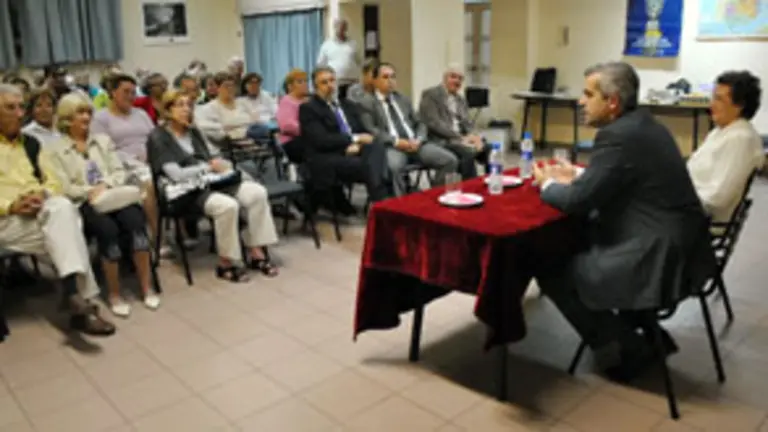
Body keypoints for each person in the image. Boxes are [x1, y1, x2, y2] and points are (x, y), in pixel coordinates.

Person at [531, 62, 716, 382]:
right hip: (684, 245)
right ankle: (647, 335)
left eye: (588, 94)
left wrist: (547, 184)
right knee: (580, 239)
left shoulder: (615, 135)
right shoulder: (646, 125)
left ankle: (625, 347)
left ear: (612, 101)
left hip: (653, 253)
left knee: (552, 269)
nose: (580, 101)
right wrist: (577, 175)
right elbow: (620, 179)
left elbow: (578, 202)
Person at [0, 84, 115, 335]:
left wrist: (42, 194)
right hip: (6, 219)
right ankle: (81, 300)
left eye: (21, 107)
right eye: (10, 107)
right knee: (69, 228)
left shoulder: (30, 144)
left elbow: (52, 181)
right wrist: (12, 204)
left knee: (62, 209)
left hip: (40, 213)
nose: (19, 114)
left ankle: (76, 300)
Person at [148, 91, 279, 280]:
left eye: (188, 105)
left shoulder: (193, 132)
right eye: (180, 105)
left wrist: (219, 165)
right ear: (168, 110)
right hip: (186, 192)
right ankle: (226, 262)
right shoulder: (159, 136)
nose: (186, 109)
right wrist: (207, 167)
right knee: (227, 205)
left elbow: (210, 157)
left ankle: (256, 252)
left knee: (257, 193)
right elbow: (175, 174)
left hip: (211, 182)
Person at [49, 93, 160, 317]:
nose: (87, 117)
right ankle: (114, 294)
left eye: (88, 112)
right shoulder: (54, 150)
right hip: (84, 203)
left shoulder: (102, 141)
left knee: (136, 222)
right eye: (80, 113)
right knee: (107, 230)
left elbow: (118, 171)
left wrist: (105, 184)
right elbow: (62, 187)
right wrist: (89, 191)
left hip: (113, 194)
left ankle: (147, 287)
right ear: (66, 118)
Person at [358, 62, 458, 196]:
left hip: (416, 144)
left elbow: (420, 122)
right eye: (385, 77)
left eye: (393, 77)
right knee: (394, 167)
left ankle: (435, 197)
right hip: (392, 147)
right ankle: (401, 206)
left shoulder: (403, 99)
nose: (390, 81)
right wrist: (397, 142)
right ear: (375, 81)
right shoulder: (367, 102)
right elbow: (372, 130)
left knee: (450, 160)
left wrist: (419, 139)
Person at [300, 67, 389, 213]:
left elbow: (363, 131)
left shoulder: (348, 105)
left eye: (332, 80)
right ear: (315, 87)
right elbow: (321, 140)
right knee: (371, 165)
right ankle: (381, 203)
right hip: (327, 156)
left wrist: (357, 143)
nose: (330, 85)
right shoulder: (309, 108)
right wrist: (351, 141)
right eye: (324, 82)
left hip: (354, 150)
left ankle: (380, 202)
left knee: (377, 148)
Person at [90, 73, 163, 253]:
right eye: (126, 92)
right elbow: (103, 150)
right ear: (112, 92)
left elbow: (155, 138)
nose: (131, 97)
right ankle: (158, 238)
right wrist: (132, 159)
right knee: (148, 183)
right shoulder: (101, 118)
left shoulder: (141, 114)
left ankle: (182, 232)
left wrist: (153, 155)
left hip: (150, 161)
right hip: (123, 167)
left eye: (133, 92)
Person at [688, 71, 764, 223]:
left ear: (739, 106)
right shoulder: (721, 131)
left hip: (699, 218)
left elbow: (718, 198)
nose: (711, 105)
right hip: (689, 207)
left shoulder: (740, 139)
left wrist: (675, 198)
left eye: (719, 99)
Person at [419, 65, 490, 179]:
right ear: (445, 78)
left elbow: (467, 123)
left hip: (460, 139)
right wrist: (461, 138)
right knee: (468, 152)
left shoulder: (460, 99)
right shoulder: (430, 94)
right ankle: (468, 189)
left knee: (488, 148)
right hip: (441, 140)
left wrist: (475, 137)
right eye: (453, 77)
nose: (457, 81)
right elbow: (434, 124)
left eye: (460, 79)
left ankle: (490, 182)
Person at [195, 72, 260, 143]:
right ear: (218, 88)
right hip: (230, 145)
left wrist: (232, 126)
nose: (230, 89)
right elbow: (203, 126)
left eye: (232, 86)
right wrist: (225, 126)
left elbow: (255, 121)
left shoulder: (243, 103)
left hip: (252, 141)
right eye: (226, 86)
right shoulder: (210, 108)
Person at [317, 19, 360, 101]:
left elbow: (359, 61)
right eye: (338, 27)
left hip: (351, 82)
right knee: (336, 104)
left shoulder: (353, 44)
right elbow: (321, 64)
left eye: (343, 27)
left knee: (351, 104)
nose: (341, 29)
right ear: (334, 28)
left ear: (346, 28)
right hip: (335, 82)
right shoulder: (327, 45)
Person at [276, 69, 309, 163]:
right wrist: (311, 130)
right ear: (290, 86)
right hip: (292, 142)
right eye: (300, 81)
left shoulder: (309, 100)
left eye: (306, 81)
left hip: (309, 139)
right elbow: (287, 126)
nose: (305, 84)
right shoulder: (287, 101)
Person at [237, 72, 278, 139]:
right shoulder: (240, 101)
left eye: (257, 83)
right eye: (251, 83)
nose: (254, 86)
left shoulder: (267, 96)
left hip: (270, 127)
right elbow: (245, 120)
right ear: (245, 85)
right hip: (251, 131)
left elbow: (276, 112)